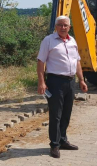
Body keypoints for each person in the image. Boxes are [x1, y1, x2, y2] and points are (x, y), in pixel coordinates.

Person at [37, 16, 88, 158]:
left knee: (66, 113)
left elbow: (77, 62)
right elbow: (41, 62)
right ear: (56, 26)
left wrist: (81, 80)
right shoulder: (48, 40)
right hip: (55, 82)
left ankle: (63, 140)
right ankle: (54, 145)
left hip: (70, 82)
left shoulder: (72, 41)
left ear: (69, 27)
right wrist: (41, 82)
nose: (63, 27)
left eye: (65, 25)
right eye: (60, 25)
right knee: (56, 115)